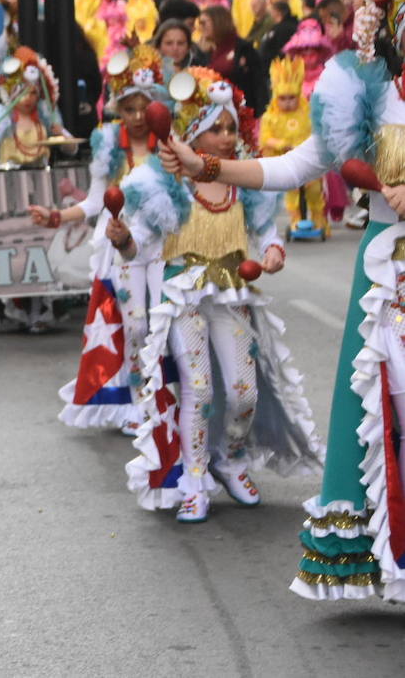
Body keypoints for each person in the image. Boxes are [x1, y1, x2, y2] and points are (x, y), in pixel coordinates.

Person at [162, 0, 405, 598]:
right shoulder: (367, 94)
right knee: (388, 415)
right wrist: (204, 163)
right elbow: (293, 165)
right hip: (386, 279)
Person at [116, 69, 320, 523]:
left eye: (232, 128)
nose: (227, 137)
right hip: (183, 298)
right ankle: (194, 477)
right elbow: (139, 246)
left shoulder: (244, 184)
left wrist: (272, 253)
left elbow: (269, 233)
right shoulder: (163, 186)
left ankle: (230, 458)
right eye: (216, 128)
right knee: (199, 388)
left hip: (232, 294)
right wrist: (120, 239)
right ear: (191, 133)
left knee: (243, 392)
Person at [34, 46, 167, 433]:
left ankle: (162, 396)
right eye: (129, 109)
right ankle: (138, 399)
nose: (138, 117)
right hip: (120, 247)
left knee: (163, 319)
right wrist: (58, 217)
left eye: (145, 108)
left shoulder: (168, 142)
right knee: (134, 323)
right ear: (117, 110)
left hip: (161, 245)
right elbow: (95, 202)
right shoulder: (109, 145)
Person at [259, 56, 326, 237]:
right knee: (292, 194)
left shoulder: (307, 114)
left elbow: (316, 132)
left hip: (308, 160)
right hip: (286, 160)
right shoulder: (270, 117)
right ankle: (296, 220)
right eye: (283, 98)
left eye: (292, 98)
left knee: (313, 191)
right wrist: (282, 144)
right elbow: (265, 138)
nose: (287, 102)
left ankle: (319, 218)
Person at [197, 4, 267, 113]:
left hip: (242, 112)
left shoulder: (243, 49)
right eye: (199, 23)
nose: (201, 27)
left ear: (219, 22)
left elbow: (259, 85)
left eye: (204, 22)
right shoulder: (205, 51)